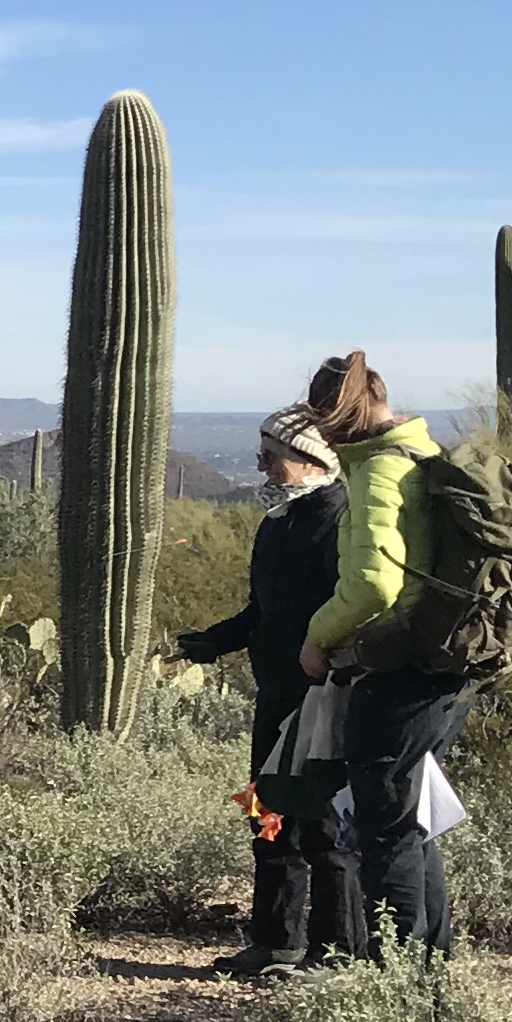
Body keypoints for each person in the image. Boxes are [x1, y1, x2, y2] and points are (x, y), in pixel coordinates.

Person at [172, 405, 358, 976]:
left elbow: (348, 608)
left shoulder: (340, 521)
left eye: (271, 457)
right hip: (276, 691)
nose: (262, 466)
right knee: (268, 813)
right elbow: (264, 612)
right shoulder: (278, 521)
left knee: (325, 825)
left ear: (311, 461)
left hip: (323, 694)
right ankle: (275, 940)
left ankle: (338, 951)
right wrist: (215, 640)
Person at [295, 348, 466, 957]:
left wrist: (318, 639)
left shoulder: (379, 472)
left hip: (396, 671)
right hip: (442, 670)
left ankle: (395, 984)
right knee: (411, 824)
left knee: (384, 830)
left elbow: (374, 583)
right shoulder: (426, 454)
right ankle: (431, 981)